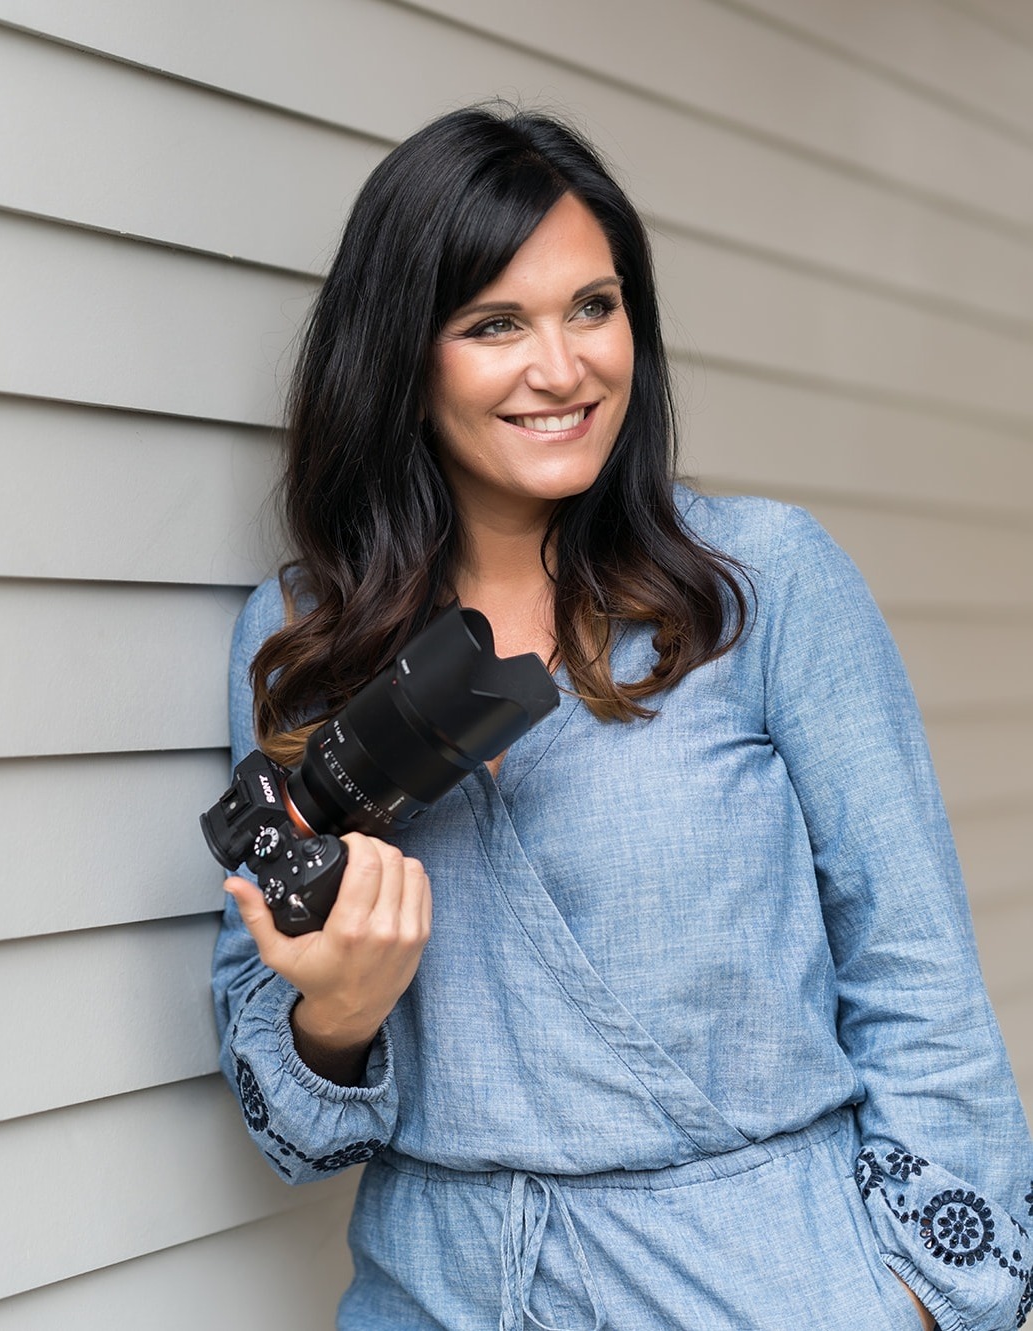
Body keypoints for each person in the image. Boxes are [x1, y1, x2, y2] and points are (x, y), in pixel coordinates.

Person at [213, 105, 1033, 1331]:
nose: (564, 367)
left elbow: (916, 975)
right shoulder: (305, 638)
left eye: (593, 308)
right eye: (495, 324)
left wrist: (918, 1300)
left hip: (760, 1279)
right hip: (441, 1285)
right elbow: (273, 1077)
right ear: (402, 353)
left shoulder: (761, 581)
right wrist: (339, 1010)